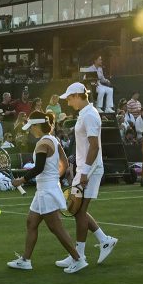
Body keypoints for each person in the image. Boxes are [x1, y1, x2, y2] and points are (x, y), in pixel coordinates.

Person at [6, 110, 85, 271]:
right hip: (46, 188)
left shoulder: (42, 143)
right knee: (31, 222)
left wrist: (21, 180)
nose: (29, 130)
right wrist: (55, 177)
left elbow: (39, 167)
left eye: (31, 127)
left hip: (47, 191)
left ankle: (78, 259)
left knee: (56, 228)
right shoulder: (53, 140)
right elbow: (63, 163)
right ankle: (26, 260)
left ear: (37, 126)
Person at [57, 82, 117, 273]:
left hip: (90, 170)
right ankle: (103, 241)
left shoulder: (90, 115)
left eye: (69, 98)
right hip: (83, 169)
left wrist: (84, 172)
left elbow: (95, 146)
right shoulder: (84, 113)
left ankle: (79, 256)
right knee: (76, 210)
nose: (67, 101)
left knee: (79, 212)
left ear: (77, 96)